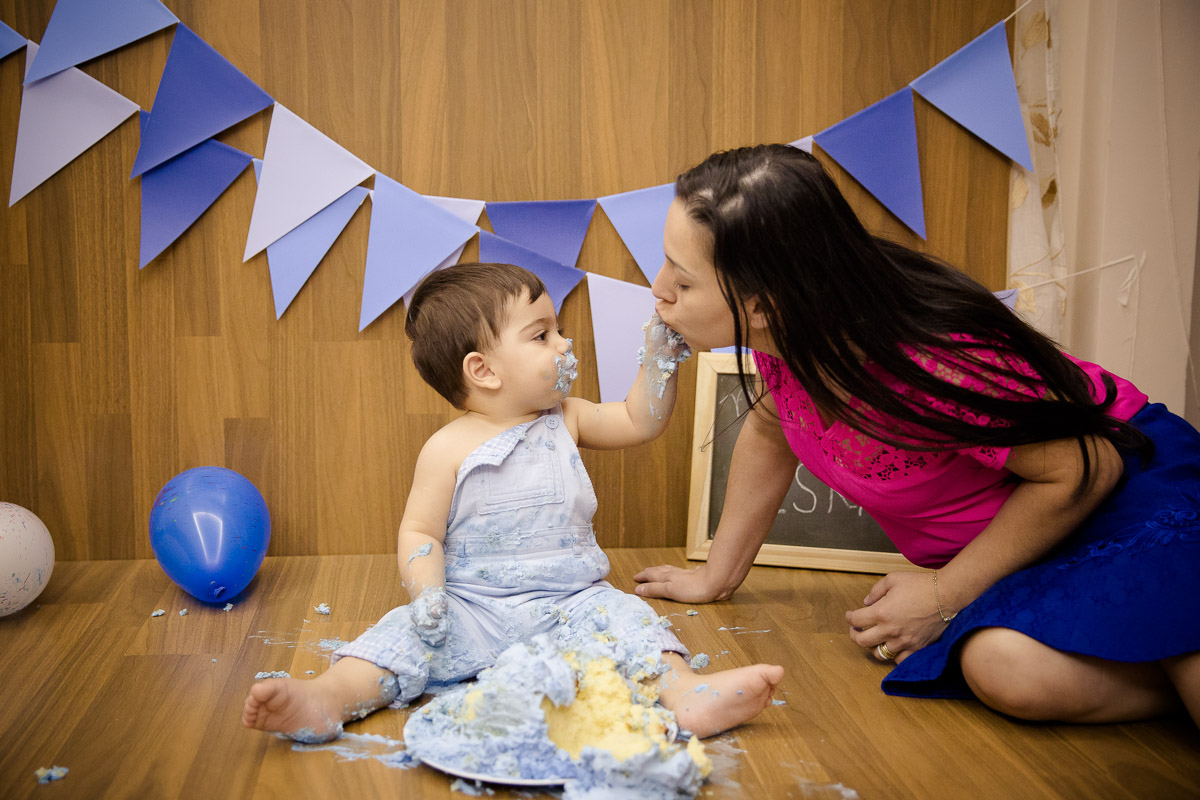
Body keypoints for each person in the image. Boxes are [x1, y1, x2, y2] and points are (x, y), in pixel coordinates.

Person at [633, 143, 1200, 726]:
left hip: (1126, 491)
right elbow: (773, 425)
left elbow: (1087, 467)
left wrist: (943, 595)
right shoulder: (794, 333)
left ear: (761, 306)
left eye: (682, 279)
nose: (659, 290)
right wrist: (717, 574)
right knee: (1004, 671)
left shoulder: (929, 366)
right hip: (1031, 542)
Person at [243, 262, 784, 744]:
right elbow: (420, 533)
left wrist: (660, 358)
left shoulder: (567, 419)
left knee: (631, 623)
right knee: (398, 638)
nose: (564, 345)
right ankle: (329, 697)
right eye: (542, 335)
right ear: (483, 370)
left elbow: (640, 421)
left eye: (560, 331)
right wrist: (428, 593)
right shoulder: (447, 447)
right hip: (473, 605)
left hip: (574, 601)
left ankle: (684, 692)